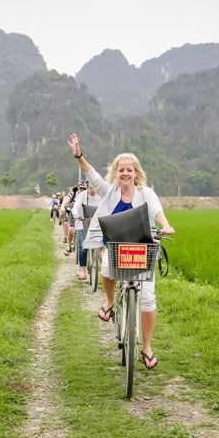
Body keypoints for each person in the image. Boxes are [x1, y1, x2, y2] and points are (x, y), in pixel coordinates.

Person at [68, 132, 174, 370]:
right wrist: (79, 155)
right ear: (116, 173)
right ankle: (108, 301)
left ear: (136, 173)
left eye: (130, 169)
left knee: (148, 298)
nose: (125, 173)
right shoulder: (110, 191)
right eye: (121, 169)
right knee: (107, 267)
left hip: (142, 248)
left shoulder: (147, 193)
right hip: (117, 247)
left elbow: (157, 211)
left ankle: (146, 347)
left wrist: (164, 225)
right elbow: (91, 175)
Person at [72, 179, 100, 281]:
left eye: (95, 188)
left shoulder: (101, 195)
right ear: (87, 187)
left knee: (102, 243)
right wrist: (75, 214)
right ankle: (82, 270)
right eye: (91, 188)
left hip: (96, 223)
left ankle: (98, 260)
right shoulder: (82, 195)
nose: (93, 190)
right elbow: (75, 207)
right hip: (82, 222)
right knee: (83, 246)